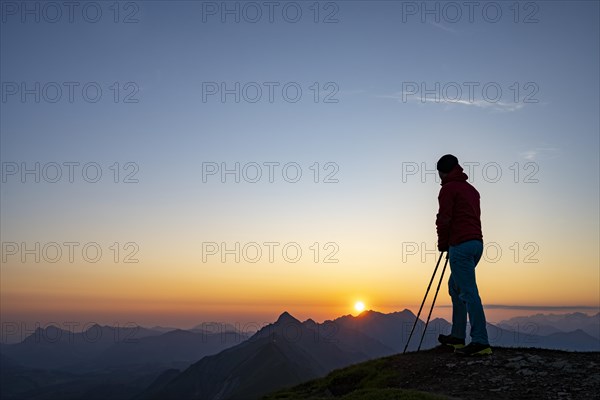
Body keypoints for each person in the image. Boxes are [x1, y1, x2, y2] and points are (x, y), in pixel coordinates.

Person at [435, 154, 492, 356]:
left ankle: (480, 341)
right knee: (455, 287)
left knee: (468, 292)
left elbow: (444, 219)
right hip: (477, 244)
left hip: (460, 245)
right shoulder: (472, 190)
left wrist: (444, 245)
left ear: (443, 172)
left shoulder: (448, 189)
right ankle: (458, 336)